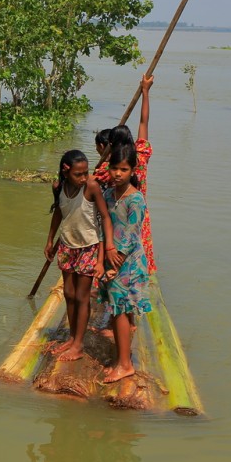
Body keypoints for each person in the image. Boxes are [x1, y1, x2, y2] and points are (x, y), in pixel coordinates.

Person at [44, 149, 115, 362]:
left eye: (85, 173)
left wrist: (105, 253)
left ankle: (78, 344)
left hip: (88, 247)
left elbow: (104, 217)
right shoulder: (59, 187)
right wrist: (49, 240)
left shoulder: (91, 187)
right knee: (68, 293)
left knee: (82, 297)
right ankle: (73, 337)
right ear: (66, 171)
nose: (83, 178)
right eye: (78, 174)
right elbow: (59, 212)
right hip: (67, 245)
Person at [97, 143, 152, 383]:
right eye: (114, 168)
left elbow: (131, 235)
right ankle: (121, 360)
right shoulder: (109, 194)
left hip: (127, 262)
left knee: (121, 311)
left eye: (124, 169)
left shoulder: (136, 200)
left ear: (133, 171)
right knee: (117, 310)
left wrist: (113, 265)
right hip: (111, 257)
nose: (118, 173)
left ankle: (125, 365)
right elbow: (102, 227)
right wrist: (102, 261)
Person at [94, 74, 155, 274]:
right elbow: (144, 123)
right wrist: (145, 92)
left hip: (116, 222)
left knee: (116, 263)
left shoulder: (107, 170)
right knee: (138, 258)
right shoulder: (140, 158)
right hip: (139, 220)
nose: (119, 173)